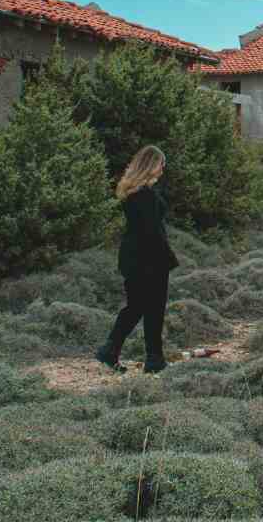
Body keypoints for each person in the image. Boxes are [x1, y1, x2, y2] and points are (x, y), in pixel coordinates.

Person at [96, 144, 179, 374]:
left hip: (133, 257)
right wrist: (167, 258)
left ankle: (112, 351)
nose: (163, 169)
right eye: (161, 164)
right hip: (149, 259)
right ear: (152, 165)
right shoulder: (146, 195)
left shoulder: (133, 192)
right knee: (153, 309)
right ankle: (153, 359)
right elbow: (152, 232)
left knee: (137, 307)